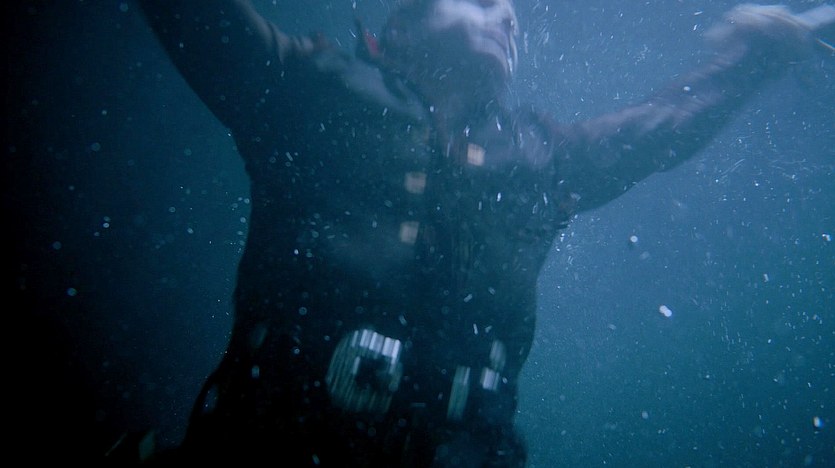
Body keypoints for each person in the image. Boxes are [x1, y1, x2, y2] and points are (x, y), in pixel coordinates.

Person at [135, 0, 828, 466]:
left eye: (513, 10)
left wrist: (754, 58)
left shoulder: (538, 158)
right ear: (400, 26)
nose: (509, 16)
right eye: (482, 0)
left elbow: (656, 129)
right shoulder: (310, 90)